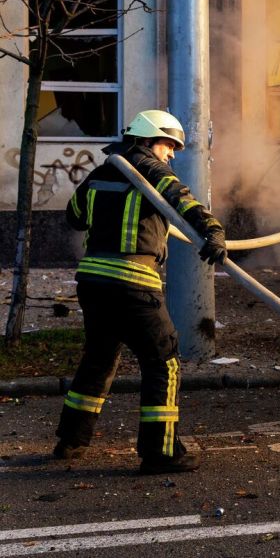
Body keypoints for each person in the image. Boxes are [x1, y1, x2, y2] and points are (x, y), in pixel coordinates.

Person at [53, 109, 227, 475]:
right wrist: (213, 230)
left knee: (99, 357)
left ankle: (71, 440)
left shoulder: (99, 174)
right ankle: (161, 452)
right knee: (163, 360)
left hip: (92, 283)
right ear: (149, 140)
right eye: (169, 145)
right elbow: (184, 201)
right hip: (132, 281)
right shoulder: (152, 172)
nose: (173, 154)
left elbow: (74, 216)